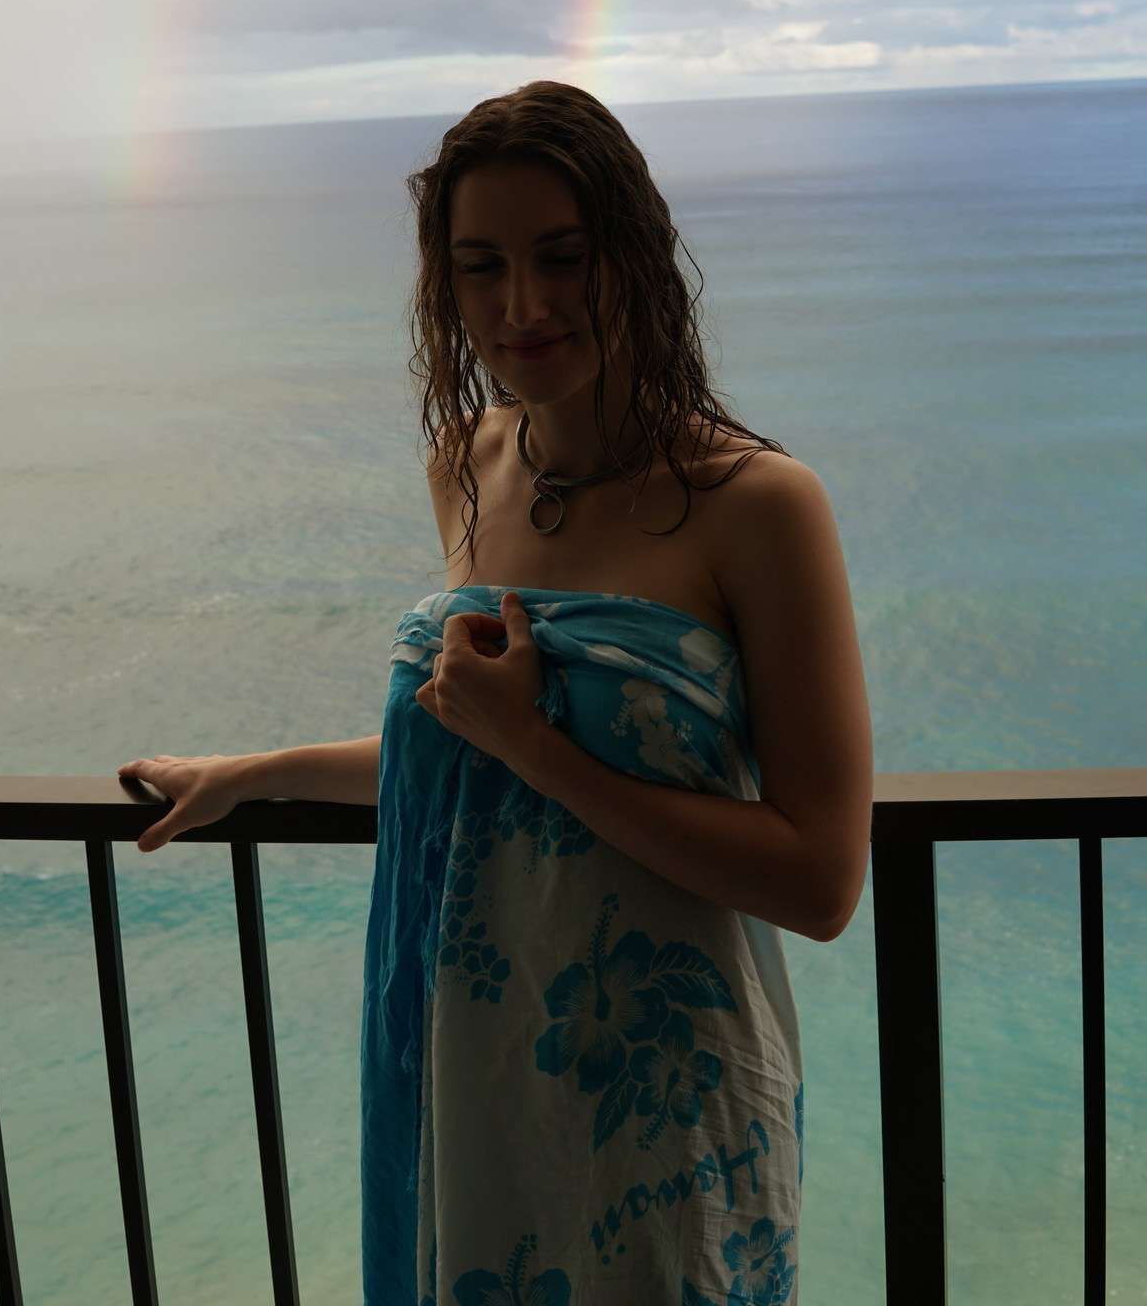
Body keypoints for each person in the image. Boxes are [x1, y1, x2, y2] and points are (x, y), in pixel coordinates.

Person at [117, 79, 874, 1305]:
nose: (522, 306)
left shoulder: (757, 505)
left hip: (658, 1100)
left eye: (562, 258)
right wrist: (251, 776)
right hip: (472, 1065)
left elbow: (820, 879)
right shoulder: (464, 464)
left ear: (634, 257)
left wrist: (537, 749)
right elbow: (467, 757)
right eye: (481, 268)